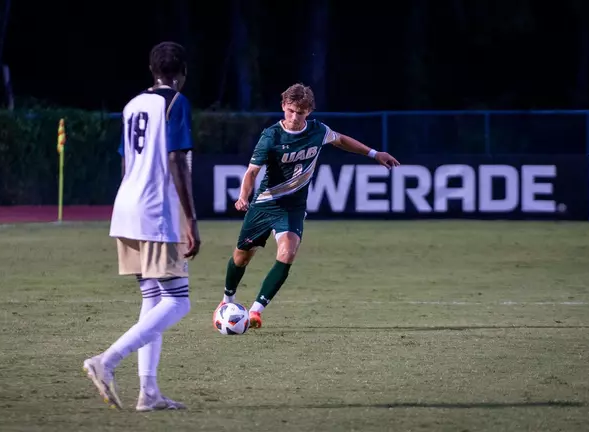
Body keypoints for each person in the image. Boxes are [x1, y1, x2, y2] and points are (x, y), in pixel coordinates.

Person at [216, 83, 399, 329]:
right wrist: (243, 197)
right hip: (265, 204)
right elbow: (251, 172)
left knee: (288, 252)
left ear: (309, 111)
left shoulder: (318, 131)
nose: (293, 117)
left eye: (300, 113)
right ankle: (227, 300)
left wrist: (374, 154)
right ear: (283, 106)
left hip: (293, 207)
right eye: (290, 110)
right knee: (241, 258)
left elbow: (341, 140)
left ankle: (256, 311)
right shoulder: (271, 136)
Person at [83, 41, 200, 412]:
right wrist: (191, 220)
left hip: (127, 206)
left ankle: (148, 393)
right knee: (178, 301)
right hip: (155, 211)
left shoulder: (132, 105)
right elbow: (177, 160)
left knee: (153, 298)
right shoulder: (175, 103)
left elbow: (124, 161)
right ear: (181, 73)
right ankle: (106, 361)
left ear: (153, 71)